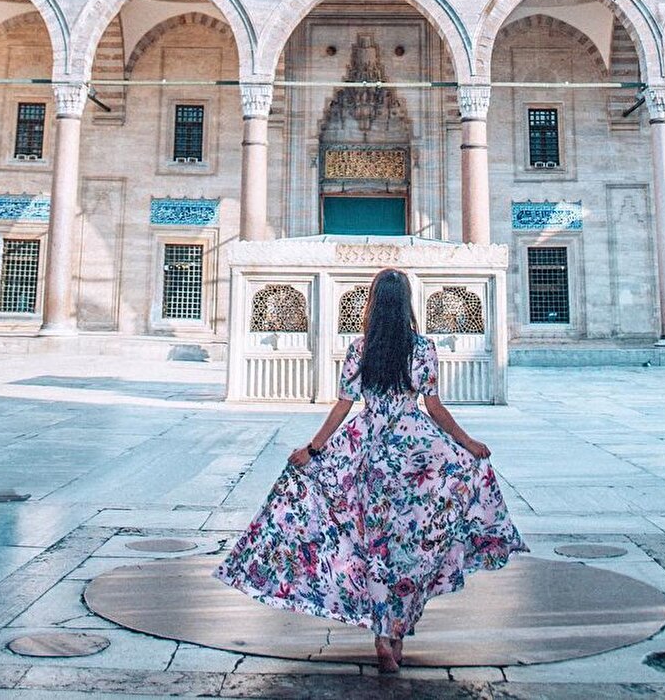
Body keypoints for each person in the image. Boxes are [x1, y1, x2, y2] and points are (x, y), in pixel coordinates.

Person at [215, 268, 526, 672]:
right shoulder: (423, 349)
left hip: (366, 452)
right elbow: (434, 408)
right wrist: (468, 445)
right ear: (408, 304)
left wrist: (313, 449)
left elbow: (343, 406)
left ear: (374, 304)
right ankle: (396, 634)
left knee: (373, 548)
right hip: (414, 454)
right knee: (410, 548)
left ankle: (381, 633)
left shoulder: (361, 349)